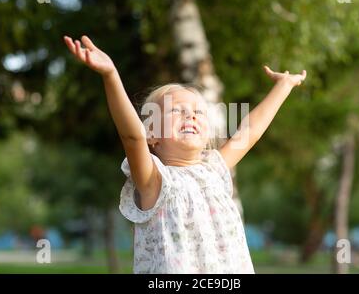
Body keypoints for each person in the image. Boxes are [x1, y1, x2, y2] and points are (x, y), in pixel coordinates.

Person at [64, 35, 306, 273]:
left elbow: (250, 131)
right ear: (151, 134)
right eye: (176, 111)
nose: (190, 115)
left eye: (198, 112)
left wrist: (284, 85)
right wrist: (111, 75)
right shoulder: (154, 181)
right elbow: (131, 136)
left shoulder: (213, 170)